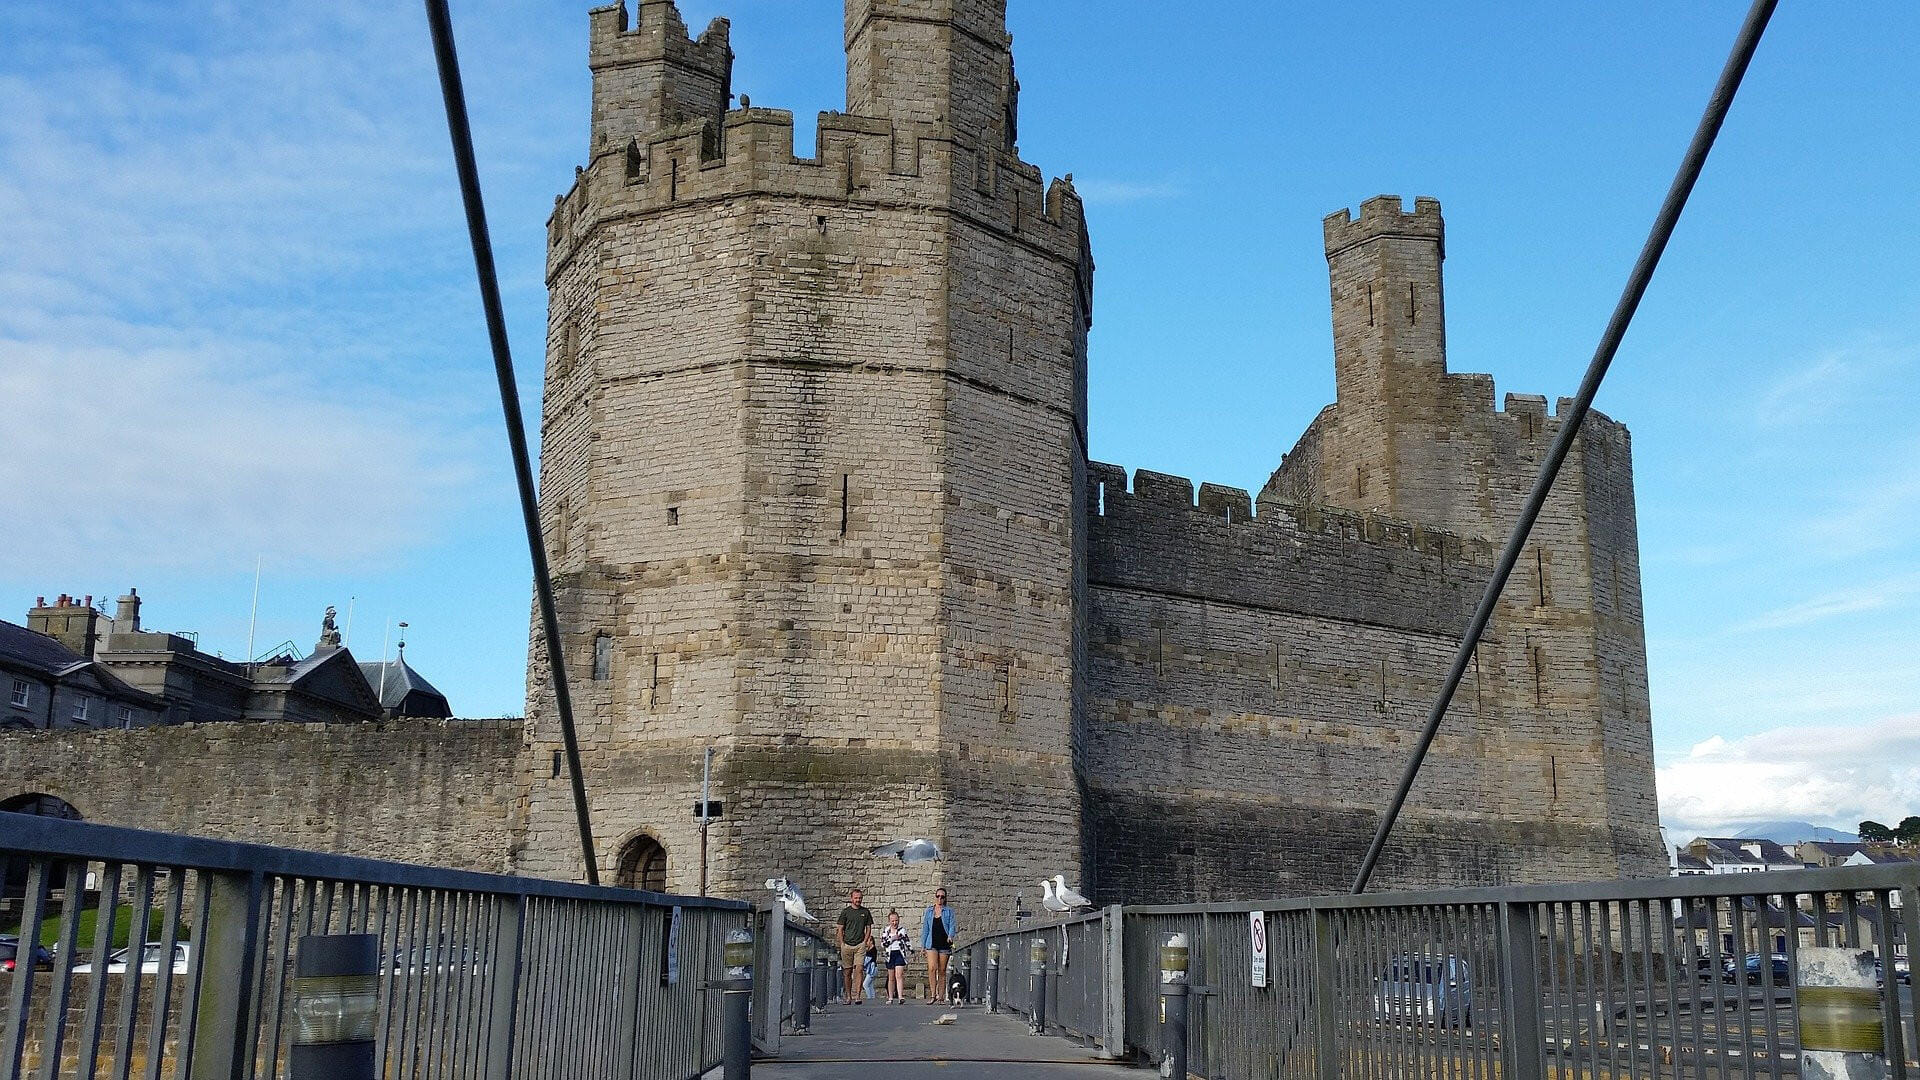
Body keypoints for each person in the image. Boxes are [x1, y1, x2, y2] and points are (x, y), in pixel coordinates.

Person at [835, 887, 875, 1004]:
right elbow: (840, 928)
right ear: (851, 898)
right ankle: (848, 996)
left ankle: (857, 995)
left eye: (860, 898)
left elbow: (868, 927)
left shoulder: (865, 912)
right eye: (856, 898)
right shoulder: (846, 912)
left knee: (859, 969)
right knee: (847, 972)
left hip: (860, 945)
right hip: (847, 945)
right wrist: (841, 943)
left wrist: (866, 941)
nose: (858, 900)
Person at [921, 887, 956, 1003]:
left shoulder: (949, 911)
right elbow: (925, 928)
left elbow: (952, 925)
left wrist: (950, 936)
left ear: (945, 899)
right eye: (938, 896)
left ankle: (941, 997)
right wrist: (923, 946)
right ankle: (933, 995)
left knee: (942, 970)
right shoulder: (929, 911)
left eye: (942, 897)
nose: (940, 899)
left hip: (944, 943)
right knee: (932, 968)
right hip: (931, 943)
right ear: (935, 897)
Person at [879, 910, 912, 1004]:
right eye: (892, 921)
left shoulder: (902, 930)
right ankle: (890, 997)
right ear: (889, 921)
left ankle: (901, 996)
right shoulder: (886, 931)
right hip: (890, 954)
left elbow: (907, 941)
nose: (895, 923)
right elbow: (883, 944)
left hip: (899, 954)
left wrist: (911, 950)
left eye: (896, 920)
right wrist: (892, 938)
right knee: (891, 977)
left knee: (899, 975)